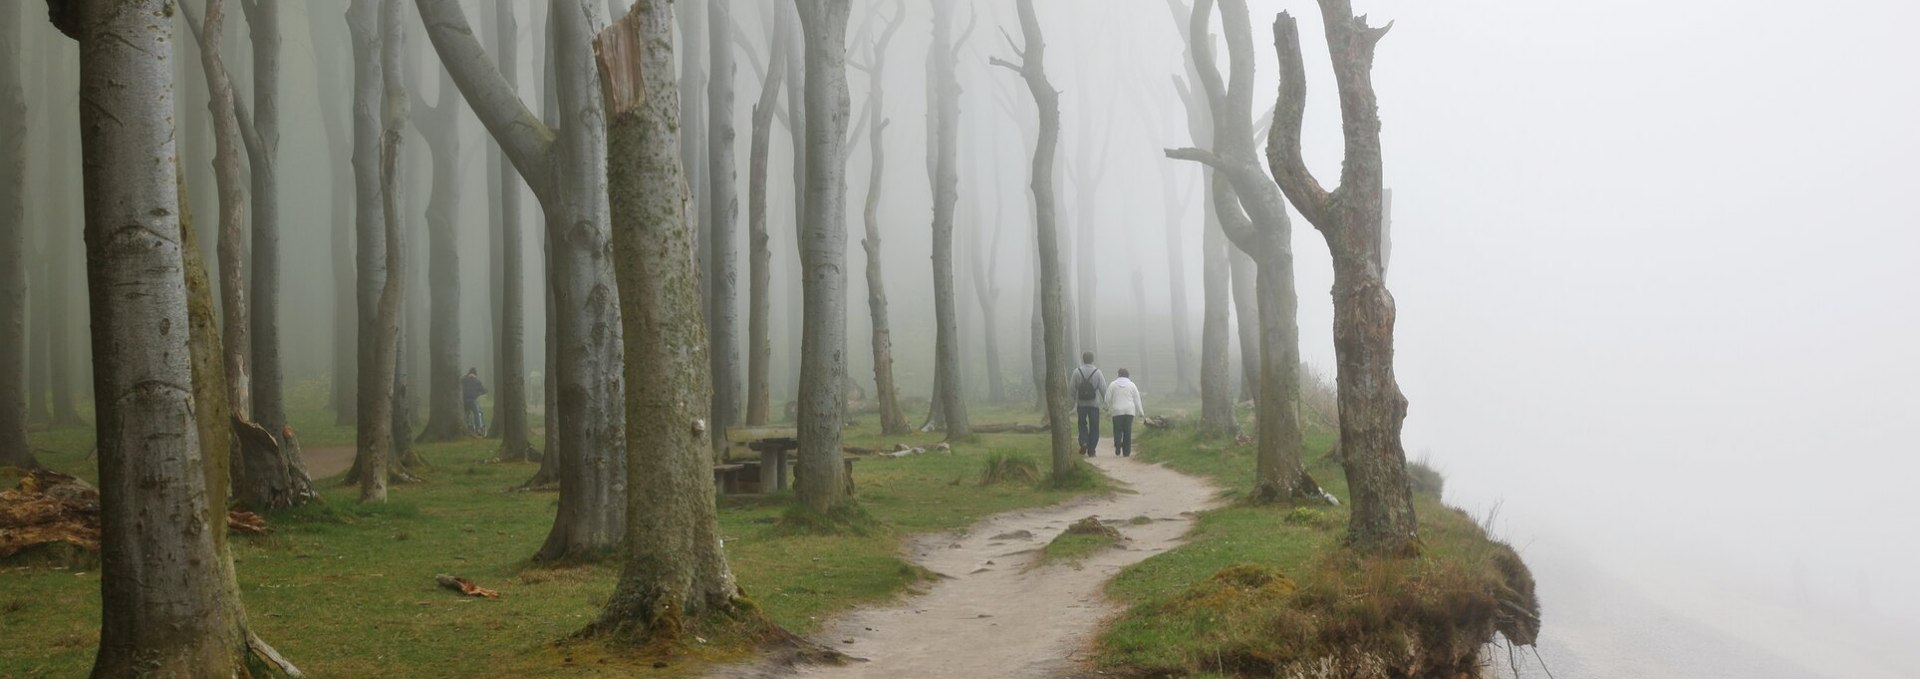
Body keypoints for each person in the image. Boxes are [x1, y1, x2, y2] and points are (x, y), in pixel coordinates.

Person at [1070, 352, 1105, 456]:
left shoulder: (1077, 371)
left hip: (1081, 404)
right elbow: (1103, 388)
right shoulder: (1097, 372)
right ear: (1092, 359)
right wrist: (1106, 402)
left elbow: (1072, 388)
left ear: (1083, 359)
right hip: (1094, 405)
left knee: (1082, 424)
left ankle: (1084, 442)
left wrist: (1072, 401)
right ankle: (1091, 449)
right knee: (1094, 426)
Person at [1105, 368, 1144, 458]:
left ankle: (1118, 442)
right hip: (1129, 411)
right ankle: (1126, 452)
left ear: (1118, 375)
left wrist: (1106, 407)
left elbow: (1107, 398)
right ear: (1128, 375)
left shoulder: (1113, 384)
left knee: (1117, 429)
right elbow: (1137, 399)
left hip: (1117, 411)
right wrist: (1141, 412)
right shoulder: (1132, 385)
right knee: (1127, 431)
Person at [461, 368, 488, 436]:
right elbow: (484, 390)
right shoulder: (477, 381)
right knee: (477, 413)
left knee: (467, 414)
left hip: (464, 400)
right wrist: (479, 393)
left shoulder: (463, 379)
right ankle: (478, 429)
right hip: (473, 400)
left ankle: (469, 427)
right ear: (475, 374)